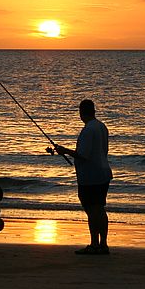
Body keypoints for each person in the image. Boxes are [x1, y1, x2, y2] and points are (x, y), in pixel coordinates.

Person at [54, 99, 112, 255]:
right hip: (103, 172)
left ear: (82, 112)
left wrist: (64, 150)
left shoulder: (88, 130)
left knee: (92, 210)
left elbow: (83, 155)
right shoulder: (101, 126)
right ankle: (103, 244)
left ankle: (94, 244)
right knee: (100, 209)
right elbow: (103, 151)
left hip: (90, 177)